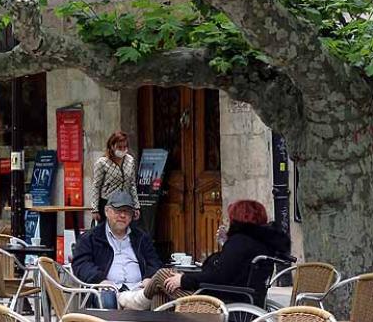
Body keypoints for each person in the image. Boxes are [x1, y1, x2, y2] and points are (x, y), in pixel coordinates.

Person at [163, 199, 292, 298]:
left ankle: (147, 315)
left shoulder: (240, 242)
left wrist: (184, 279)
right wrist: (227, 243)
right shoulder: (259, 241)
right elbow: (236, 267)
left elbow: (220, 276)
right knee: (163, 283)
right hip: (241, 294)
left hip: (220, 298)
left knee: (162, 277)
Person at [71, 191, 162, 310]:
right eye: (118, 211)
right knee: (107, 300)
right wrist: (100, 280)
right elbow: (81, 264)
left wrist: (149, 277)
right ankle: (129, 310)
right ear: (107, 211)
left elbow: (154, 261)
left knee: (160, 296)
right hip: (109, 290)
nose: (123, 215)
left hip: (138, 288)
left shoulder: (141, 237)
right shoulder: (91, 237)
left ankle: (133, 308)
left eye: (127, 212)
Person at [88, 130, 139, 223]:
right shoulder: (102, 162)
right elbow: (96, 186)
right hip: (108, 202)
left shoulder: (130, 160)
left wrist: (136, 206)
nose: (122, 149)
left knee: (124, 232)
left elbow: (132, 184)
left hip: (125, 202)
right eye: (119, 147)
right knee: (107, 233)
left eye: (125, 147)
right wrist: (94, 209)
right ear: (112, 146)